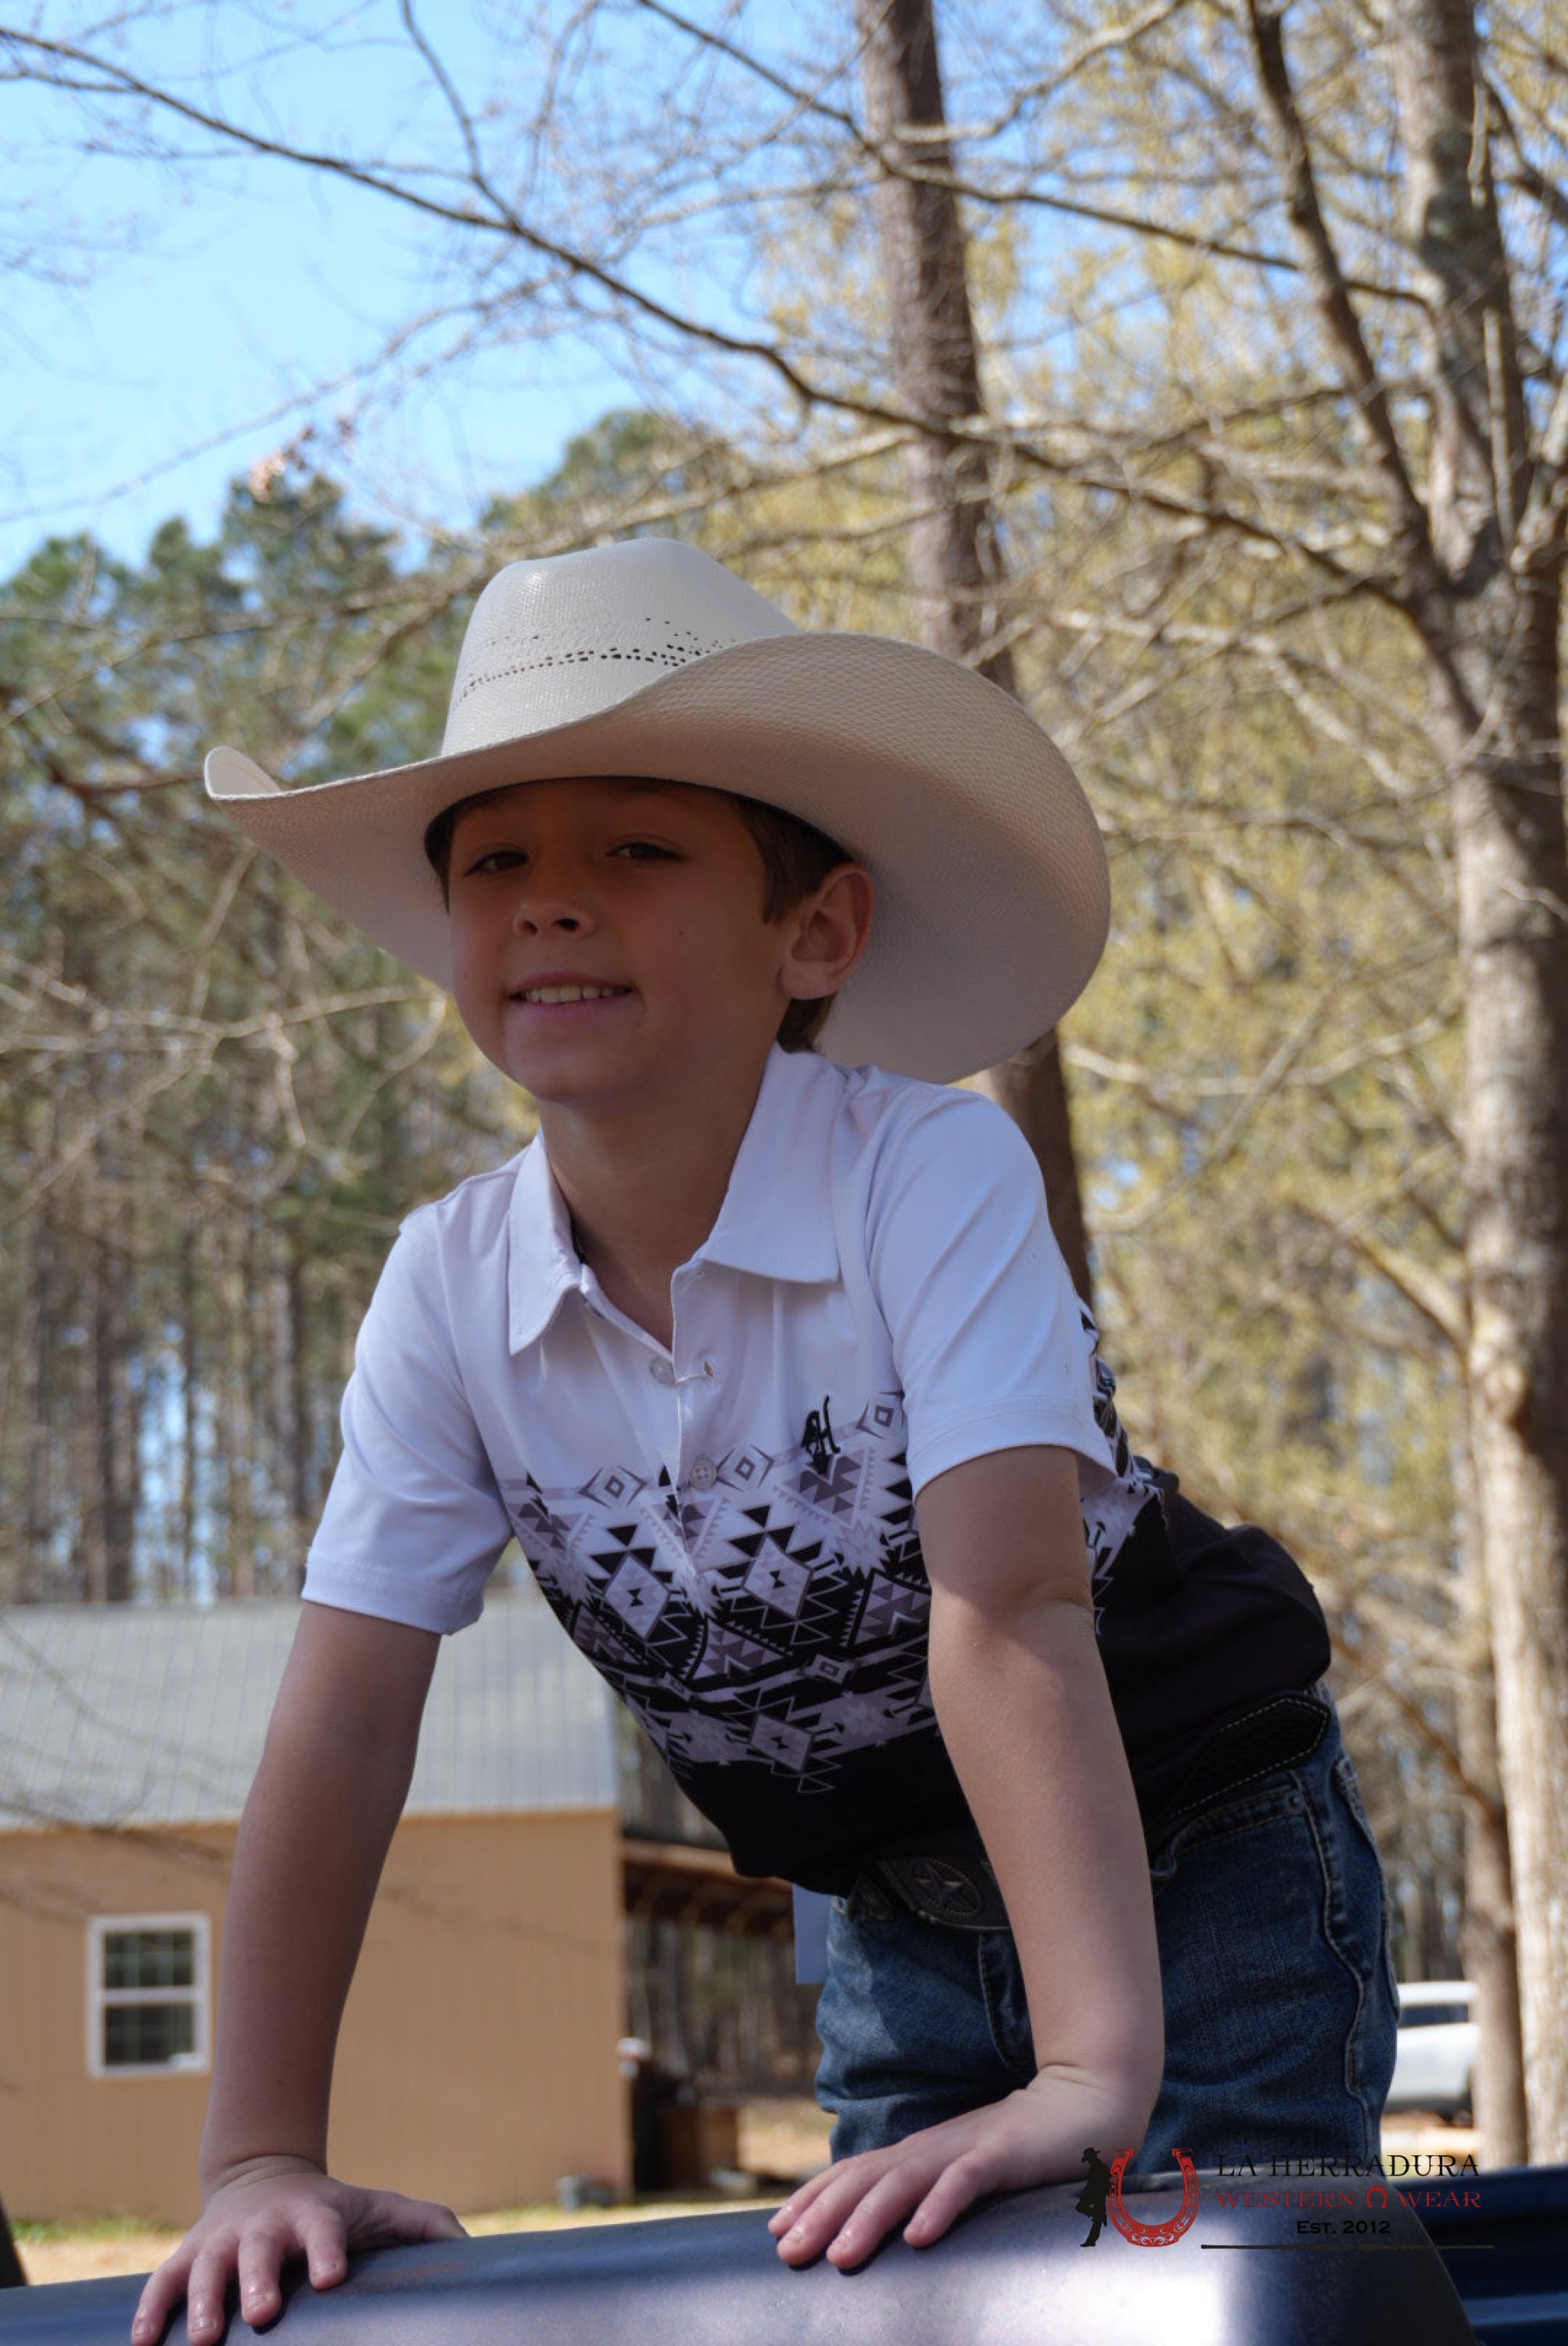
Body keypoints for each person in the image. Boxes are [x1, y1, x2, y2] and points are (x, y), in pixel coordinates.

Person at [132, 539, 1396, 2344]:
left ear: (814, 931)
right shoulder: (447, 1288)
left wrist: (1087, 2072)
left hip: (1196, 1851)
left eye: (637, 850)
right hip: (892, 1904)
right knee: (904, 2315)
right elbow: (343, 1723)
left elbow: (1010, 1607)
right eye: (496, 864)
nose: (550, 905)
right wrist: (258, 2154)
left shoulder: (924, 1173)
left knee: (1226, 2303)